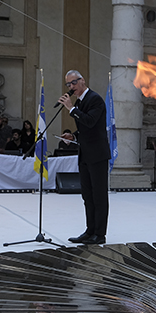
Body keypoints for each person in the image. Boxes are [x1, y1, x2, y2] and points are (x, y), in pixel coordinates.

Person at [57, 70, 110, 244]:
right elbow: (85, 130)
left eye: (73, 83)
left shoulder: (94, 99)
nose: (71, 87)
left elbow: (90, 121)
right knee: (87, 195)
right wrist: (73, 136)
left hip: (97, 155)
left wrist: (71, 108)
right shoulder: (80, 102)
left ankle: (99, 234)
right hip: (85, 154)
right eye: (68, 85)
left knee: (99, 195)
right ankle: (90, 230)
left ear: (82, 81)